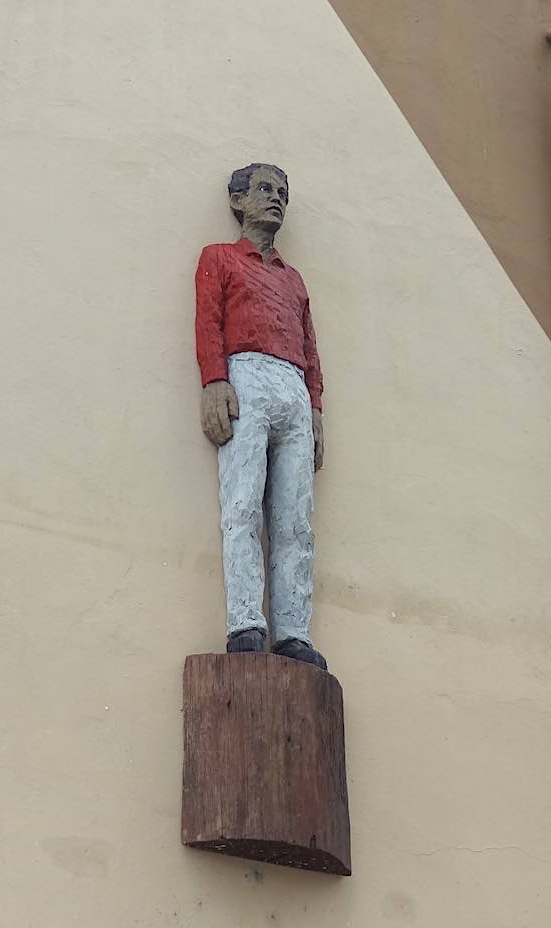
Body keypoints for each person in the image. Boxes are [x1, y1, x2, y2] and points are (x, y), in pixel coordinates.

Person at [193, 162, 328, 671]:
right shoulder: (219, 259)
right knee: (244, 504)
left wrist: (315, 408)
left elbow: (311, 348)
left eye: (283, 193)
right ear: (238, 201)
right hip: (245, 374)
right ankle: (246, 621)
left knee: (295, 520)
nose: (277, 200)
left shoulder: (293, 280)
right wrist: (214, 381)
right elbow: (208, 320)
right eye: (266, 190)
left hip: (292, 386)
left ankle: (293, 629)